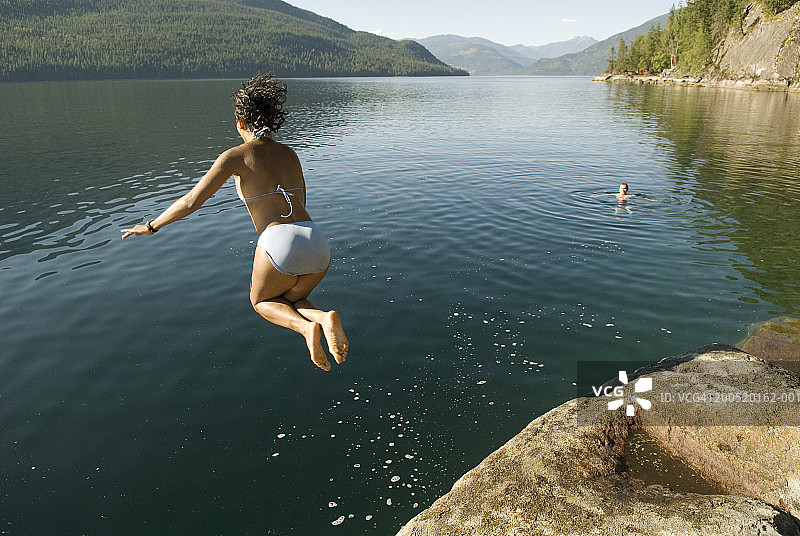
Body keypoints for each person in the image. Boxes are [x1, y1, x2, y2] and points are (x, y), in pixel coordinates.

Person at [121, 73, 348, 372]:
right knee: (290, 298)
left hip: (278, 242)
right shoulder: (290, 154)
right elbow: (301, 200)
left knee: (261, 302)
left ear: (241, 123)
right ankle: (322, 317)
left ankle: (307, 330)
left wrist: (150, 226)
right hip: (316, 240)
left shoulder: (235, 156)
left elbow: (191, 201)